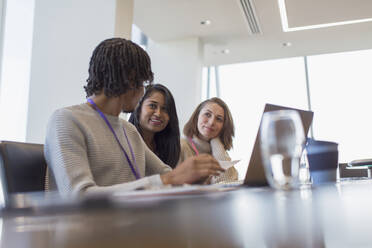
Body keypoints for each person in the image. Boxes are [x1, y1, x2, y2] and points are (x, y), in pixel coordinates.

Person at [44, 38, 224, 197]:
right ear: (129, 79)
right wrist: (171, 179)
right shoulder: (66, 120)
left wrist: (195, 177)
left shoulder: (128, 130)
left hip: (129, 227)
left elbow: (166, 173)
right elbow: (79, 196)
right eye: (142, 82)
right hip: (87, 232)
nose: (142, 91)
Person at [178, 97, 238, 183]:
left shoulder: (219, 151)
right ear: (197, 116)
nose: (211, 122)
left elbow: (228, 182)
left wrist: (216, 143)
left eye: (219, 119)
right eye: (207, 114)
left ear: (224, 126)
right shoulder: (181, 146)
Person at [129, 84, 180, 169]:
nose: (158, 114)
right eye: (152, 106)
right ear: (138, 107)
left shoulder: (166, 147)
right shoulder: (126, 140)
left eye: (165, 109)